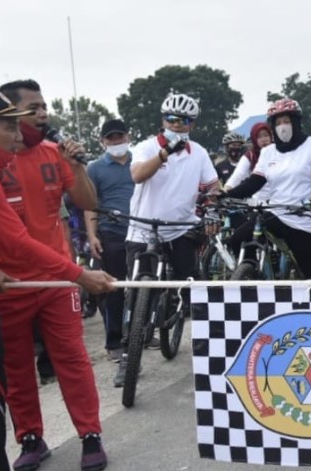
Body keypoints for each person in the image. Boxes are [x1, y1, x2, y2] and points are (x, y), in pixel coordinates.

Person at [0, 90, 114, 471]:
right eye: (9, 126)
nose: (19, 133)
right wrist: (82, 275)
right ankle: (29, 435)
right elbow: (18, 241)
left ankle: (90, 433)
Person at [0, 79, 110, 471]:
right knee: (17, 365)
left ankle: (90, 435)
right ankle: (30, 438)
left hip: (60, 279)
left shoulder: (54, 153)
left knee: (72, 358)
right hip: (8, 284)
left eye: (45, 106)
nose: (44, 113)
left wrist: (75, 162)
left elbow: (87, 201)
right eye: (34, 107)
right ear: (9, 115)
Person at [118, 93, 220, 386]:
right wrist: (163, 155)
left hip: (179, 228)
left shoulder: (198, 152)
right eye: (172, 120)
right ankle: (128, 358)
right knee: (134, 294)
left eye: (184, 121)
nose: (177, 126)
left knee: (193, 287)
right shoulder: (146, 147)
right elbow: (137, 175)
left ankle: (211, 347)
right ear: (163, 120)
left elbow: (212, 186)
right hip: (142, 230)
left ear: (192, 125)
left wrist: (212, 208)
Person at [224, 98, 311, 280]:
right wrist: (226, 194)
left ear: (296, 122)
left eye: (287, 122)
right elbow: (254, 182)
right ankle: (252, 275)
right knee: (237, 239)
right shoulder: (268, 152)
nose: (283, 127)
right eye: (278, 123)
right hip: (276, 213)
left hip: (302, 217)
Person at [86, 118, 135, 363]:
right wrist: (92, 235)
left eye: (120, 137)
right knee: (114, 288)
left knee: (144, 287)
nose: (116, 142)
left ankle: (141, 335)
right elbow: (90, 204)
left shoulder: (141, 161)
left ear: (128, 136)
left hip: (142, 231)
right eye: (111, 138)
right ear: (103, 142)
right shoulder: (94, 168)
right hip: (111, 232)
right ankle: (114, 341)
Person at [223, 122, 273, 254]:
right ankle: (249, 269)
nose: (264, 139)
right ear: (255, 140)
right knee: (242, 239)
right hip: (258, 206)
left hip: (279, 204)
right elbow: (237, 176)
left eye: (266, 135)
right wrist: (224, 192)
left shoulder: (280, 152)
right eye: (260, 137)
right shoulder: (250, 156)